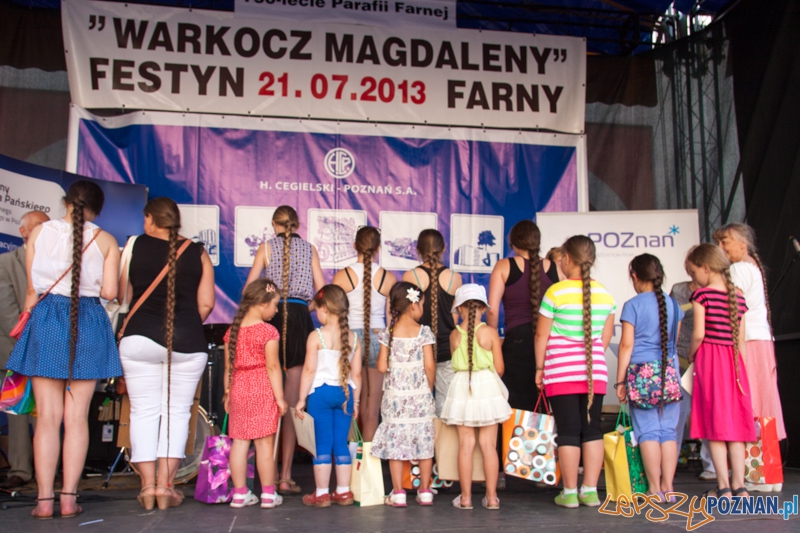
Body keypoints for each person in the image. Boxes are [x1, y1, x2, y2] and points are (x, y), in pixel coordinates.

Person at [7, 181, 121, 519]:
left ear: (66, 202)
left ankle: (44, 501)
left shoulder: (39, 233)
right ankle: (69, 499)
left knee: (47, 419)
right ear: (97, 209)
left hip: (46, 321)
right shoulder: (106, 240)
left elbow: (31, 291)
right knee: (76, 418)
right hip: (88, 322)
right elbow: (111, 292)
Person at [118, 197, 215, 510]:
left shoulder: (134, 245)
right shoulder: (198, 252)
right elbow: (207, 304)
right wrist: (185, 325)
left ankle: (147, 487)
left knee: (143, 412)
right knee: (177, 413)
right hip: (187, 342)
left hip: (139, 339)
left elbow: (123, 297)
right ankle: (166, 486)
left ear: (149, 219)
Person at [245, 206, 324, 495]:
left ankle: (267, 472)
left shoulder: (266, 248)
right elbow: (322, 293)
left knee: (268, 397)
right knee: (292, 403)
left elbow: (249, 291)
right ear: (297, 224)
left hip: (272, 317)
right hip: (300, 320)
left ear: (274, 224)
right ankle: (286, 476)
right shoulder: (310, 248)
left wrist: (269, 306)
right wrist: (304, 308)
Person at [534, 235, 615, 509]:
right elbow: (605, 337)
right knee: (592, 430)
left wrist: (540, 368)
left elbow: (541, 336)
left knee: (568, 430)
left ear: (567, 258)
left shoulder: (555, 292)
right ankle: (590, 491)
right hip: (595, 373)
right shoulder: (605, 294)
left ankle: (569, 493)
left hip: (561, 372)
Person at [714, 223, 786, 491]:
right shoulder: (751, 267)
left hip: (749, 341)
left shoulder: (739, 269)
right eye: (718, 242)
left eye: (725, 241)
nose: (721, 247)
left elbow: (735, 311)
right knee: (762, 405)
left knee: (750, 404)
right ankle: (768, 474)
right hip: (760, 339)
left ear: (743, 243)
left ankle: (760, 474)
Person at [685, 243, 755, 500]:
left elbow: (698, 334)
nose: (694, 279)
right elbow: (741, 342)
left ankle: (723, 486)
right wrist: (741, 370)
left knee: (713, 426)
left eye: (694, 273)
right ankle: (740, 486)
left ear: (705, 268)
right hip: (734, 364)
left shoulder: (702, 296)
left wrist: (691, 354)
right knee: (735, 428)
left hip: (711, 362)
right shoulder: (738, 296)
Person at [615, 254, 684, 502]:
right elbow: (674, 343)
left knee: (648, 432)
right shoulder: (673, 304)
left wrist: (620, 381)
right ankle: (669, 487)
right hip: (670, 373)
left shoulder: (632, 305)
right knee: (668, 431)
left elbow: (626, 345)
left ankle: (654, 489)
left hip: (641, 375)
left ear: (635, 276)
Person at [441, 284, 511, 511]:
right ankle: (492, 498)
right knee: (489, 446)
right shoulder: (490, 333)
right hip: (487, 386)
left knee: (466, 445)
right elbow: (499, 368)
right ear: (482, 308)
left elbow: (455, 363)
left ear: (459, 309)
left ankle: (465, 498)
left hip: (462, 386)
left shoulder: (454, 335)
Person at [295, 285, 362, 508]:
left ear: (324, 308)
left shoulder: (316, 336)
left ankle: (322, 494)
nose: (316, 314)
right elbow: (357, 375)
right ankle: (343, 492)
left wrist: (301, 399)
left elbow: (309, 370)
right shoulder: (354, 338)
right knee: (341, 442)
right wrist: (356, 402)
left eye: (317, 310)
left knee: (322, 443)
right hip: (345, 395)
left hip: (320, 395)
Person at [222, 279, 287, 509]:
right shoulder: (268, 331)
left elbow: (228, 368)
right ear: (262, 303)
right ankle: (268, 494)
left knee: (239, 443)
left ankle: (240, 494)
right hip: (261, 387)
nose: (276, 310)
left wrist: (227, 393)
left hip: (238, 387)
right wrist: (280, 398)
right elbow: (273, 367)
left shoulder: (232, 331)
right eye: (275, 305)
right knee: (264, 445)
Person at [371, 282, 436, 507]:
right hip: (420, 397)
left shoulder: (387, 333)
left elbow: (381, 367)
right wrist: (428, 389)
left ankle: (398, 492)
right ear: (413, 305)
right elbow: (429, 365)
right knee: (424, 444)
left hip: (395, 399)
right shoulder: (424, 332)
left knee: (395, 444)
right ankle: (425, 490)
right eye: (422, 304)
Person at [0, 210, 48, 490]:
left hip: (49, 351)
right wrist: (29, 340)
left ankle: (47, 468)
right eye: (40, 226)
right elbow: (6, 311)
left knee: (47, 412)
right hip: (15, 348)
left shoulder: (54, 263)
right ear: (24, 231)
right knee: (18, 413)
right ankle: (20, 468)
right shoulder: (5, 262)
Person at [333, 226, 395, 441]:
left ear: (354, 246)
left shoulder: (342, 276)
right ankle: (368, 457)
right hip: (378, 338)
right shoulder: (388, 278)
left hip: (348, 339)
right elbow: (391, 320)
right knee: (372, 408)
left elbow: (334, 316)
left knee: (348, 403)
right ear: (378, 248)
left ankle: (347, 456)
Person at [487, 220, 557, 411]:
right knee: (543, 404)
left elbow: (492, 309)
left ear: (514, 244)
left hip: (517, 342)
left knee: (516, 406)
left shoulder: (504, 266)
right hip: (549, 341)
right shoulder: (554, 267)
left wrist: (493, 339)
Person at [402, 229, 461, 416]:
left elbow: (408, 316)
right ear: (444, 248)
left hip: (419, 348)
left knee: (417, 405)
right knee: (446, 408)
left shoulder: (410, 276)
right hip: (447, 349)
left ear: (418, 250)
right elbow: (455, 318)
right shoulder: (455, 277)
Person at [670, 274, 716, 481]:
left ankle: (712, 465)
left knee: (709, 412)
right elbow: (671, 321)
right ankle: (669, 464)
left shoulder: (716, 290)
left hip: (706, 358)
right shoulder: (679, 289)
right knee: (677, 414)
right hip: (681, 358)